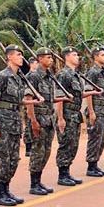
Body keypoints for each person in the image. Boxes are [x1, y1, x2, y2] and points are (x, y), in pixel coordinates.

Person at [0, 45, 33, 206]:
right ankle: (0, 193)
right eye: (18, 55)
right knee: (2, 156)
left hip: (14, 120)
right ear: (9, 57)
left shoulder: (19, 77)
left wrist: (33, 101)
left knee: (13, 157)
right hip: (3, 121)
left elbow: (18, 101)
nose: (22, 57)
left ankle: (6, 189)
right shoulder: (3, 76)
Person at [55, 46, 102, 186]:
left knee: (73, 144)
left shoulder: (75, 75)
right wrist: (60, 118)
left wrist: (93, 93)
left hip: (75, 114)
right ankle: (62, 175)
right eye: (74, 55)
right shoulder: (63, 74)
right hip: (67, 114)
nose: (78, 57)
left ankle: (67, 172)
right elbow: (59, 98)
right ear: (67, 57)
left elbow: (78, 95)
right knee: (65, 144)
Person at [25, 48, 68, 195]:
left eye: (51, 57)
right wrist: (33, 121)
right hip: (39, 119)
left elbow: (49, 98)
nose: (51, 60)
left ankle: (39, 180)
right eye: (48, 57)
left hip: (49, 119)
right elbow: (29, 100)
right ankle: (33, 183)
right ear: (40, 59)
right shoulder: (34, 76)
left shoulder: (49, 76)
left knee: (46, 151)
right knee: (38, 151)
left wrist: (64, 98)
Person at [84, 47, 104, 177]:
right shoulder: (93, 72)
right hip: (95, 109)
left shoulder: (103, 72)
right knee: (95, 138)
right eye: (102, 55)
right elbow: (89, 93)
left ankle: (95, 164)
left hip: (103, 110)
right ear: (95, 57)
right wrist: (91, 111)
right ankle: (91, 166)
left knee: (101, 139)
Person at [23, 57, 39, 157]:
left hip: (36, 105)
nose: (38, 65)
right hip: (29, 105)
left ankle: (32, 146)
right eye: (36, 63)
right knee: (29, 126)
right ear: (31, 64)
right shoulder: (29, 76)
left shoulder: (37, 76)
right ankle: (28, 147)